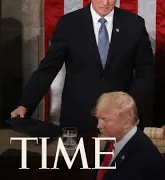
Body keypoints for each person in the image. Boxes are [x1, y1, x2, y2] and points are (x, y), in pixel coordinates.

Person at [10, 0, 155, 133]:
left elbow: (146, 71)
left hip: (119, 118)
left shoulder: (134, 24)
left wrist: (130, 105)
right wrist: (25, 105)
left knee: (119, 162)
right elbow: (48, 68)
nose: (105, 2)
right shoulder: (69, 24)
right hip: (78, 118)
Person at [93, 91, 165, 180]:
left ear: (127, 124)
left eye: (106, 120)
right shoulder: (114, 139)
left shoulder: (143, 160)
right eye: (98, 119)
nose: (99, 126)